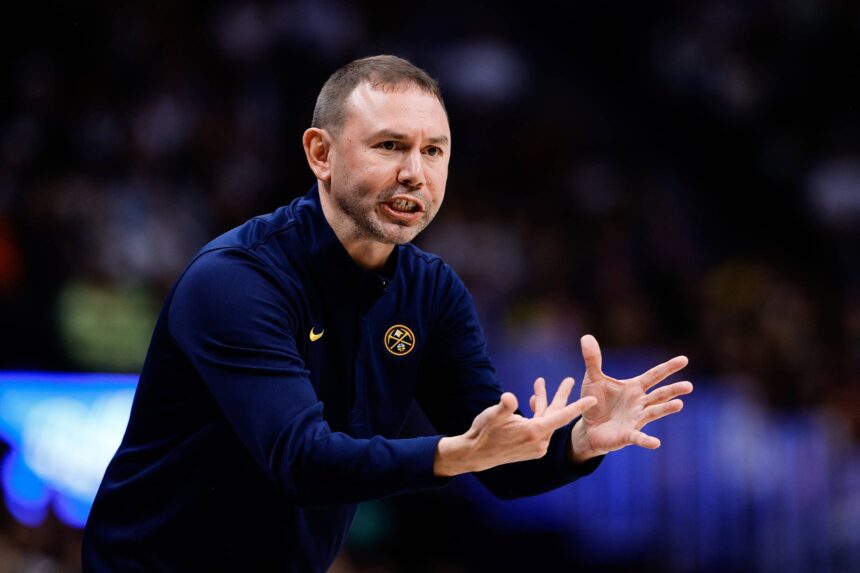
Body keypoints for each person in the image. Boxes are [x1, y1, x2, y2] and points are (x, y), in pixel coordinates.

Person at [82, 55, 693, 572]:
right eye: (390, 146)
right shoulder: (236, 281)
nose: (415, 173)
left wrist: (580, 443)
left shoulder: (433, 292)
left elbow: (501, 462)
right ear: (320, 153)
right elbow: (301, 460)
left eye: (434, 151)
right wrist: (455, 454)